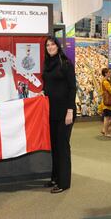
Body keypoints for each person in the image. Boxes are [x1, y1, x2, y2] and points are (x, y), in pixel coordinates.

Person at [41, 36, 76, 194]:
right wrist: (43, 92)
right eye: (47, 45)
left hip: (65, 112)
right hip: (52, 111)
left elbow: (72, 88)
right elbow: (49, 85)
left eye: (52, 44)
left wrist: (70, 110)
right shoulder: (48, 64)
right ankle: (55, 178)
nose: (50, 47)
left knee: (62, 147)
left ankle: (64, 182)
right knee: (54, 147)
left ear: (57, 46)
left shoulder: (65, 63)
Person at [99, 68, 111, 138]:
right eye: (109, 72)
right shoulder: (105, 82)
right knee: (108, 117)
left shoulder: (105, 81)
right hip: (107, 102)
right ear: (106, 73)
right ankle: (106, 132)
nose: (110, 73)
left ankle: (105, 130)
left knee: (109, 117)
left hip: (107, 102)